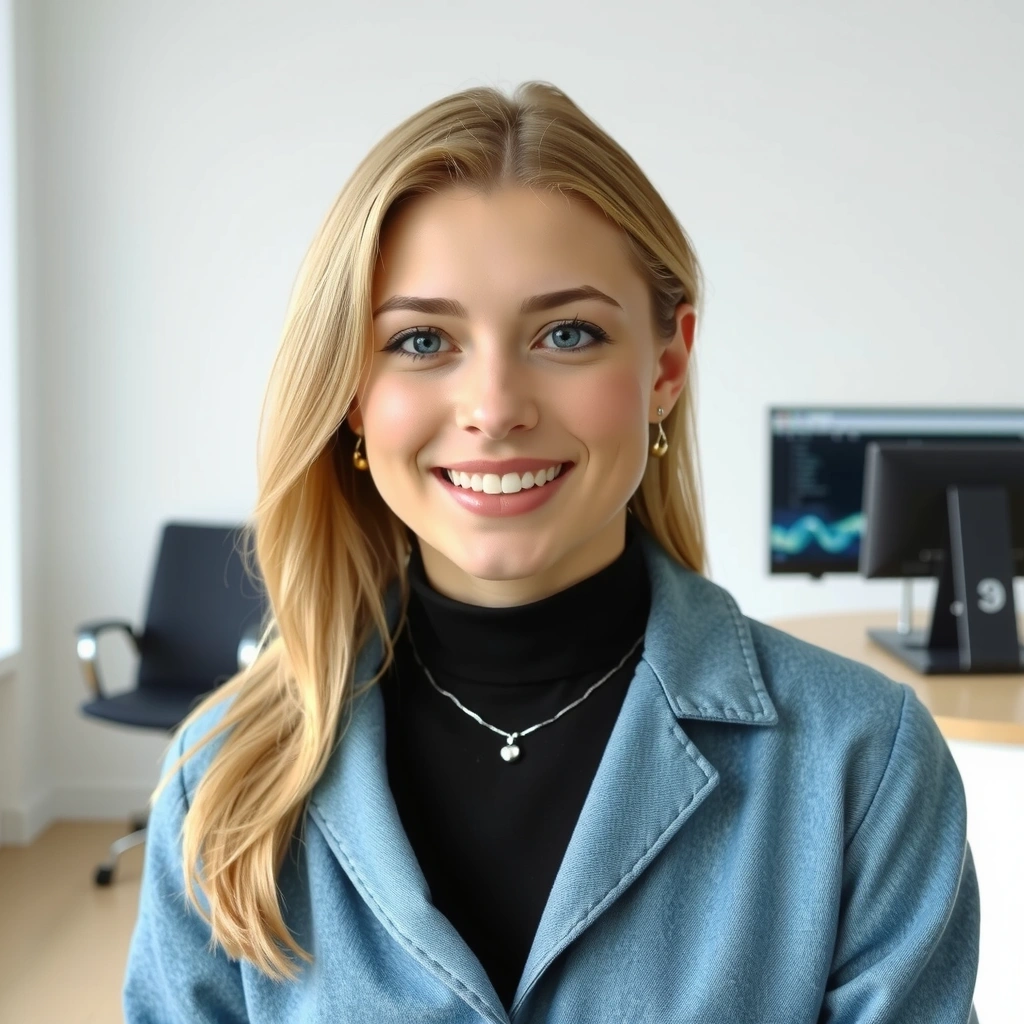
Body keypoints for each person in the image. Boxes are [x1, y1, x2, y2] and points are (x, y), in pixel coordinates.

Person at [123, 81, 980, 1023]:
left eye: (567, 334)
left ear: (665, 367)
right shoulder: (225, 775)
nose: (495, 408)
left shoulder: (864, 762)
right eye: (421, 339)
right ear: (353, 395)